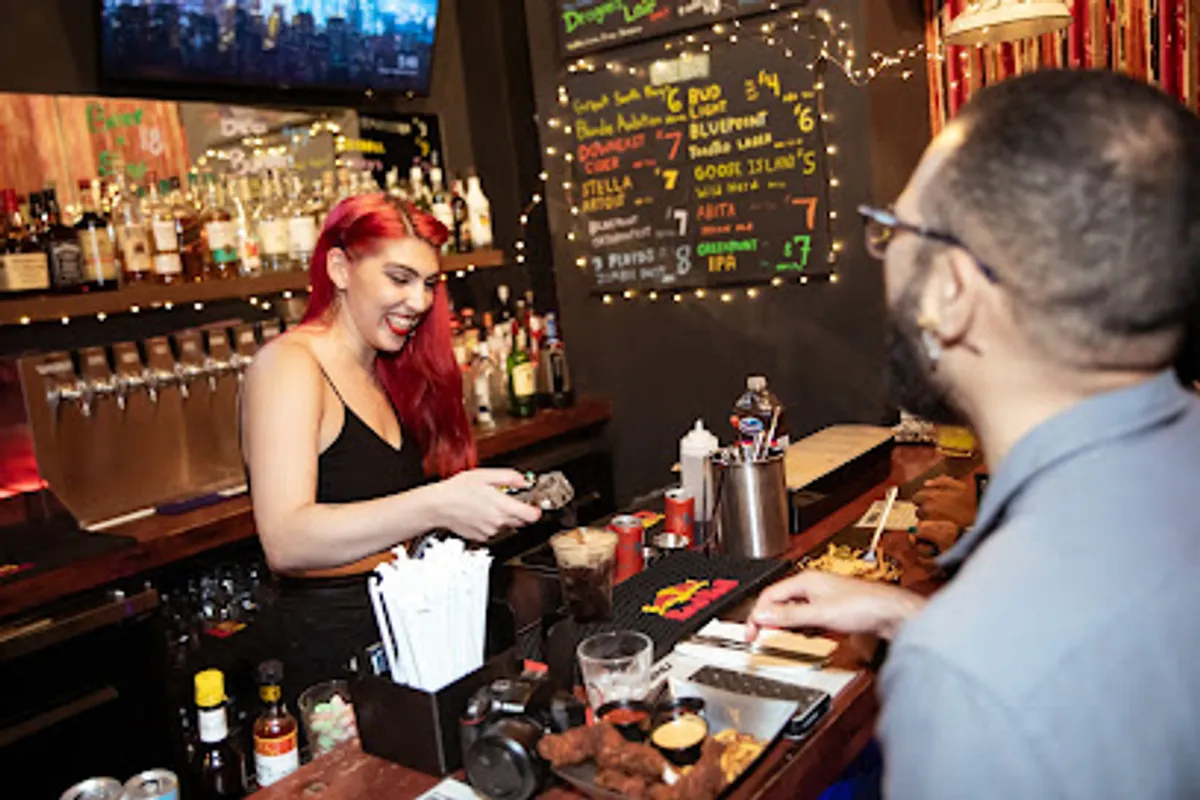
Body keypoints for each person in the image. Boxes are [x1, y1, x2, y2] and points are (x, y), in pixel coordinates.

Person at [748, 70, 1200, 798]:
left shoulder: (966, 682)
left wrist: (959, 645)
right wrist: (920, 615)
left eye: (892, 229)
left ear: (952, 291)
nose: (885, 254)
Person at [240, 194, 541, 706]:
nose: (421, 302)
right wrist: (439, 503)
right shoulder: (288, 366)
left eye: (428, 284)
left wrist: (468, 514)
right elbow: (286, 540)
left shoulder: (381, 371)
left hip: (404, 643)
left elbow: (382, 514)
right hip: (331, 667)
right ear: (339, 268)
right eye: (399, 279)